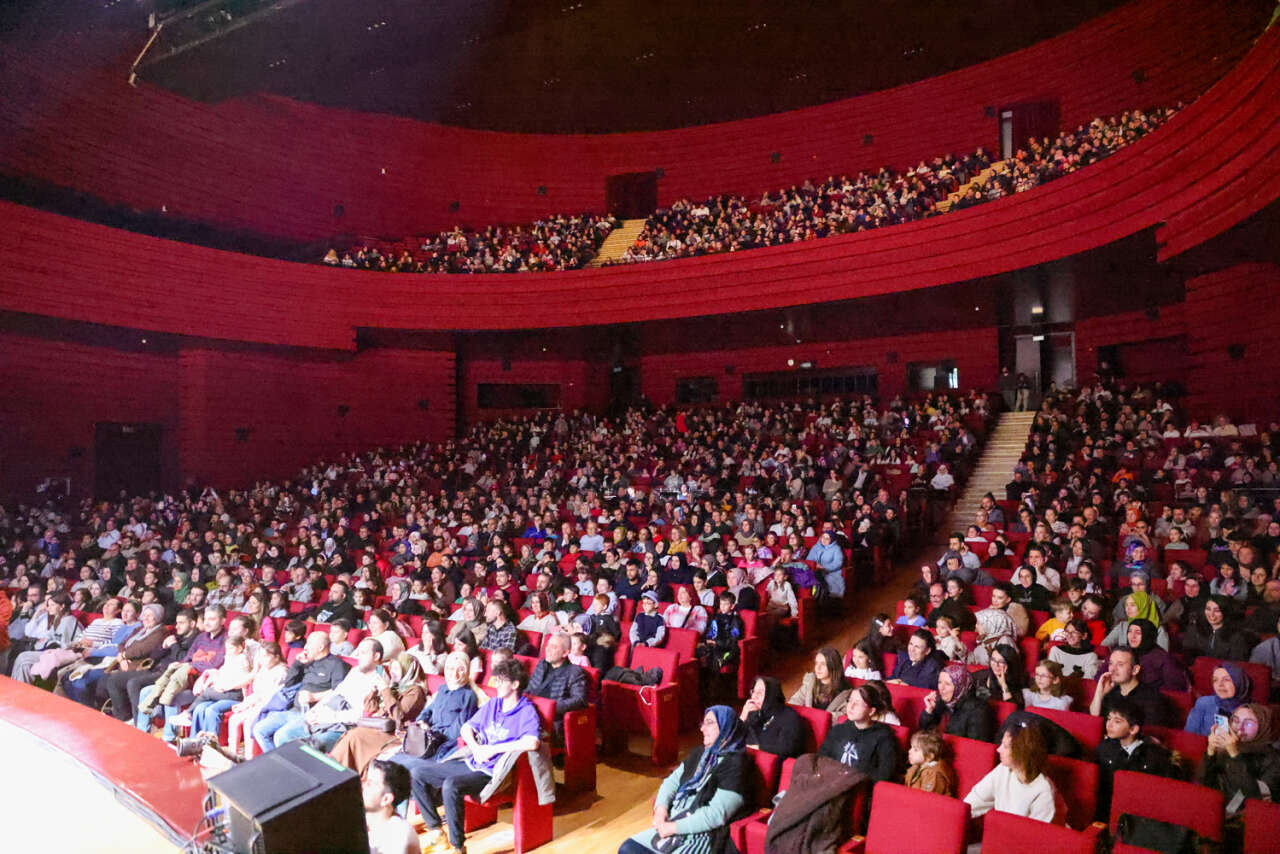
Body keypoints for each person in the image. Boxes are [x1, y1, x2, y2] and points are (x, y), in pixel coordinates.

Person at [405, 658, 543, 854]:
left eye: (501, 680)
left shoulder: (525, 710)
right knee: (417, 773)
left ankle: (458, 846)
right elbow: (466, 727)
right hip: (473, 760)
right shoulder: (494, 704)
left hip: (492, 770)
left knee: (451, 785)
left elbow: (533, 742)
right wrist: (477, 748)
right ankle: (437, 831)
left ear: (515, 684)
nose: (496, 683)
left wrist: (493, 749)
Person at [618, 706, 752, 854]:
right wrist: (660, 809)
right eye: (703, 723)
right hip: (673, 821)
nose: (702, 729)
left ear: (726, 727)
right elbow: (671, 782)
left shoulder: (737, 765)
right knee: (627, 849)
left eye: (710, 723)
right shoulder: (700, 754)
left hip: (700, 833)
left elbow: (716, 814)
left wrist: (673, 827)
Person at [329, 652, 429, 775]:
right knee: (351, 735)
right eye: (392, 668)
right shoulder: (395, 687)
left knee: (354, 737)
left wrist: (385, 690)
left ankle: (337, 775)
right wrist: (374, 692)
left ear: (407, 671)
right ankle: (336, 772)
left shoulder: (416, 692)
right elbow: (370, 709)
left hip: (395, 734)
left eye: (397, 669)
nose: (392, 672)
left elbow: (398, 716)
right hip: (381, 727)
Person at [252, 630, 351, 752]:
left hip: (311, 714)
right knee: (259, 729)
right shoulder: (306, 662)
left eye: (309, 644)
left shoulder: (337, 665)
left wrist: (315, 697)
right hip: (292, 709)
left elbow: (340, 692)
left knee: (281, 736)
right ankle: (277, 762)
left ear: (320, 647)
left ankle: (284, 766)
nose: (305, 647)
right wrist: (297, 663)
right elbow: (289, 684)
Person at [1096, 699, 1177, 820]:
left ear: (1133, 729)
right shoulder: (1104, 748)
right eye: (1108, 719)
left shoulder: (1153, 756)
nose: (1109, 724)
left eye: (1117, 721)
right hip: (1109, 811)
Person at [1197, 703, 1280, 815]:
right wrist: (1211, 750)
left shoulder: (1273, 760)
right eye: (1235, 721)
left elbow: (1253, 798)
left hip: (1245, 817)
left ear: (1262, 727)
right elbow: (1203, 782)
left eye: (1249, 724)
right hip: (1217, 807)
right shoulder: (1224, 748)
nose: (1239, 728)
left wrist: (1234, 754)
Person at [964, 726, 1056, 823]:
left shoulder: (1044, 790)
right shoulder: (1003, 770)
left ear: (1022, 752)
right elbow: (975, 800)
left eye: (1006, 746)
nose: (998, 749)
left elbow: (1034, 834)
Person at [817, 684, 899, 782]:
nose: (851, 706)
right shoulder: (840, 729)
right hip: (832, 780)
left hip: (858, 787)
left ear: (871, 711)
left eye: (857, 703)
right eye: (850, 701)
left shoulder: (884, 736)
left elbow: (884, 774)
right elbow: (822, 756)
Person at [525, 633, 588, 742]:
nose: (548, 650)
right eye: (548, 646)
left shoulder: (575, 672)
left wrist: (551, 707)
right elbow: (530, 688)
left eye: (554, 647)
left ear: (565, 652)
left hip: (550, 721)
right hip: (529, 714)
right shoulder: (542, 664)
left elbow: (580, 700)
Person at [1089, 648, 1171, 729]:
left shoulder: (1152, 698)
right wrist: (1099, 692)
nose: (1112, 669)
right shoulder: (1113, 692)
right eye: (1111, 664)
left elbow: (1151, 735)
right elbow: (1094, 717)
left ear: (1135, 670)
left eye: (1120, 664)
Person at [919, 661, 996, 742]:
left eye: (947, 684)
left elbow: (976, 747)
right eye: (940, 682)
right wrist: (929, 711)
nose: (941, 688)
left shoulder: (979, 710)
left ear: (960, 686)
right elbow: (924, 731)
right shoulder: (943, 700)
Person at [364, 759, 421, 854]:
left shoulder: (397, 836)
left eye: (370, 784)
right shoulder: (367, 826)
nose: (363, 786)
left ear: (386, 799)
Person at [740, 676, 804, 759]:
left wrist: (756, 748)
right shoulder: (753, 712)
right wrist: (743, 716)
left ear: (771, 695)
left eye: (760, 693)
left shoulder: (789, 717)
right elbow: (731, 737)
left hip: (771, 763)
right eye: (753, 691)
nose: (754, 696)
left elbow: (786, 749)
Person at [1185, 664, 1254, 736]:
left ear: (1239, 682)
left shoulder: (1253, 711)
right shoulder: (1203, 703)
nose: (1220, 684)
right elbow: (1189, 736)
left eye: (1226, 680)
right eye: (1215, 680)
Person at [789, 648, 851, 714]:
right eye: (816, 663)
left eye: (823, 664)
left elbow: (842, 715)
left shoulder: (844, 692)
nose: (818, 668)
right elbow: (795, 701)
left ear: (833, 666)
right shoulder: (810, 681)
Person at [905, 730, 957, 797]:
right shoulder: (917, 767)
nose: (909, 751)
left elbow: (927, 799)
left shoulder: (934, 774)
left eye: (916, 750)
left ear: (929, 756)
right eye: (911, 747)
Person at [806, 531, 845, 598]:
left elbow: (838, 563)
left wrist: (823, 567)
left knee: (819, 574)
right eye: (823, 537)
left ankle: (820, 592)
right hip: (814, 568)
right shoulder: (815, 547)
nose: (824, 540)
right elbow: (809, 559)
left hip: (829, 570)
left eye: (827, 538)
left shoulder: (836, 549)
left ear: (831, 540)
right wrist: (814, 564)